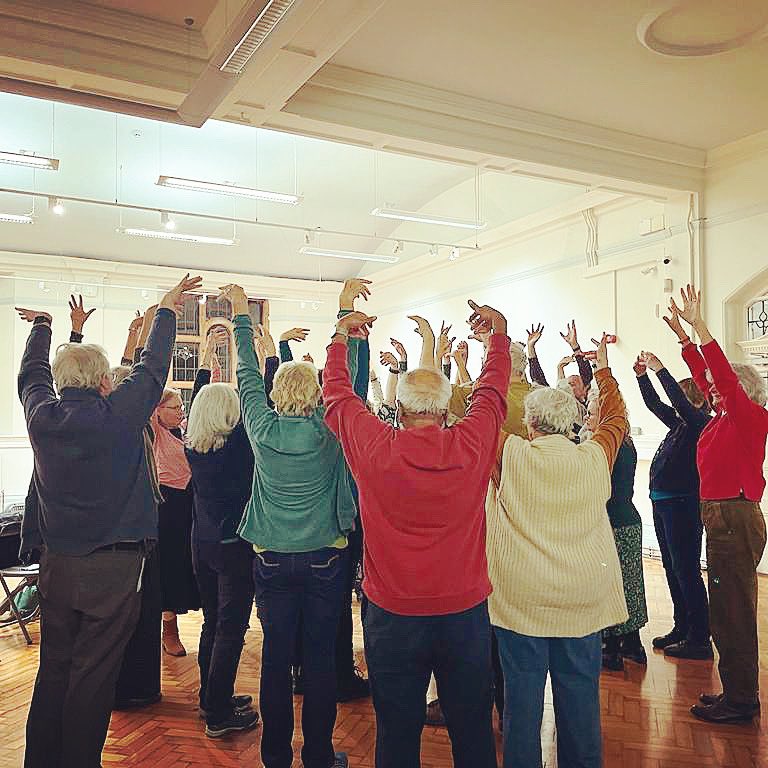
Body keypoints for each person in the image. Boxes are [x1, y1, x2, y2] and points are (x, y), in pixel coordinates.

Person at [17, 273, 201, 768]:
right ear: (103, 382)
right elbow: (154, 366)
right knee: (94, 672)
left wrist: (46, 326)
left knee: (54, 667)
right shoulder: (119, 415)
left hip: (57, 564)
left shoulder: (41, 417)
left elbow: (31, 374)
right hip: (114, 569)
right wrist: (166, 309)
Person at [324, 293, 511, 768]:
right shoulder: (471, 442)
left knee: (397, 730)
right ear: (446, 412)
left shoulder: (374, 447)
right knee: (472, 729)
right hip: (465, 612)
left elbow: (339, 396)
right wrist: (500, 337)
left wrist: (340, 337)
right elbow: (492, 395)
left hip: (392, 614)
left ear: (401, 412)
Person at [222, 282, 357, 768]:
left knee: (276, 660)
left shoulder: (261, 426)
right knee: (320, 662)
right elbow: (349, 385)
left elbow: (246, 375)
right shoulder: (329, 428)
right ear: (318, 394)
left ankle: (275, 756)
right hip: (325, 558)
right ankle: (319, 755)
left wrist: (241, 315)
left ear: (277, 392)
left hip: (272, 560)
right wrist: (345, 321)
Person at [486, 332, 628, 768]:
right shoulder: (595, 456)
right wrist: (602, 370)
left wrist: (494, 351)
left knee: (522, 705)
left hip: (521, 598)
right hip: (581, 598)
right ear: (572, 424)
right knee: (580, 698)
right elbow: (617, 419)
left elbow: (479, 412)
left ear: (528, 422)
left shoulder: (509, 454)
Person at [665, 285, 768, 724]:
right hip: (722, 517)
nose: (709, 391)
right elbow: (711, 378)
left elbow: (720, 375)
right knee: (726, 610)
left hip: (733, 516)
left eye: (718, 388)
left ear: (739, 391)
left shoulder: (749, 416)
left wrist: (700, 327)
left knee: (732, 613)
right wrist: (685, 342)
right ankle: (736, 691)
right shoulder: (724, 417)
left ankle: (742, 701)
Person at [185, 327, 259, 738]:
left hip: (203, 544)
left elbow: (202, 400)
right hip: (234, 549)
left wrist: (206, 361)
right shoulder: (239, 447)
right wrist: (259, 358)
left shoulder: (192, 446)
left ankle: (210, 696)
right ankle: (217, 712)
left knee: (213, 623)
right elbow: (258, 402)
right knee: (230, 628)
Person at [634, 350, 712, 660]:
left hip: (683, 505)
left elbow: (677, 403)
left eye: (682, 396)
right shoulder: (680, 425)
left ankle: (700, 638)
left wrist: (660, 369)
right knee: (673, 568)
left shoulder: (699, 424)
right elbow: (655, 404)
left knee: (687, 570)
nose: (676, 405)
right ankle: (683, 627)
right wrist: (641, 377)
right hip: (665, 504)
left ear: (692, 400)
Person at [582, 391, 648, 671]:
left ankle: (611, 649)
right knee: (629, 583)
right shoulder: (625, 443)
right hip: (625, 519)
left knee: (612, 583)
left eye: (592, 412)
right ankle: (632, 644)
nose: (587, 416)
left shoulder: (610, 447)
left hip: (614, 523)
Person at [151, 384, 201, 656]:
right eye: (175, 406)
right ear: (157, 410)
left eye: (182, 406)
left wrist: (207, 359)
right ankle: (169, 630)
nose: (181, 410)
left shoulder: (185, 430)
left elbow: (202, 389)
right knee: (169, 567)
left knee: (188, 564)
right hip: (166, 507)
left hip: (190, 503)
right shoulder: (154, 432)